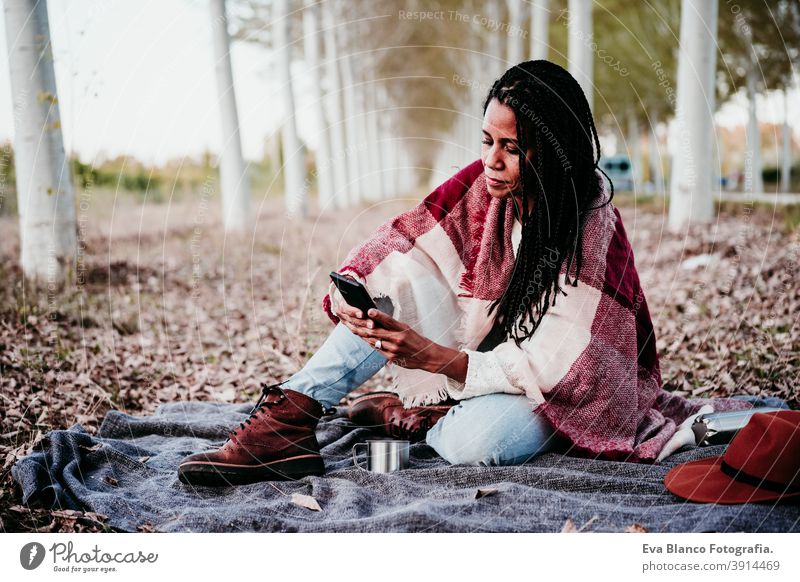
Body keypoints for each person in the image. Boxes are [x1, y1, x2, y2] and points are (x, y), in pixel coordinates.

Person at [177, 60, 754, 486]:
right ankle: (289, 421)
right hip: (488, 352)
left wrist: (430, 358)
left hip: (566, 393)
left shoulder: (590, 219)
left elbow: (566, 365)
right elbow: (411, 246)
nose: (492, 161)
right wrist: (362, 291)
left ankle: (423, 417)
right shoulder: (485, 188)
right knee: (386, 294)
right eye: (487, 141)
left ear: (552, 152)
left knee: (480, 442)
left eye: (512, 147)